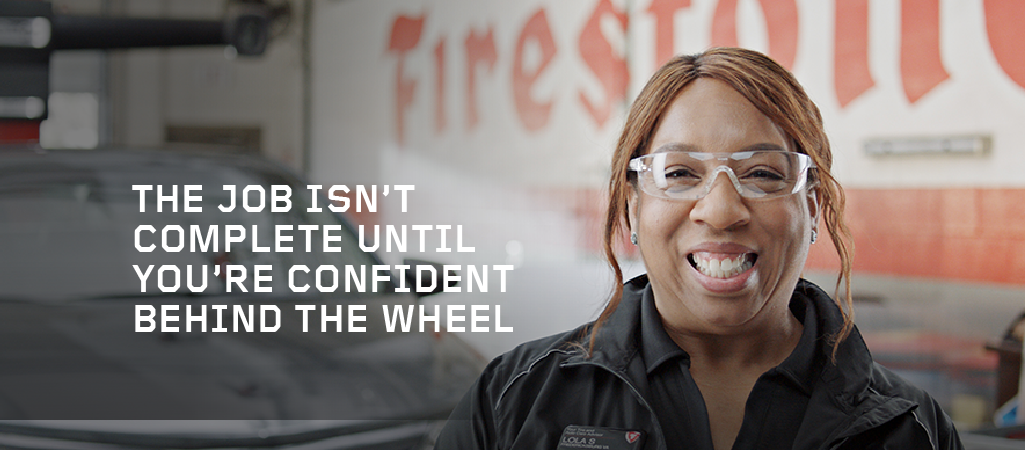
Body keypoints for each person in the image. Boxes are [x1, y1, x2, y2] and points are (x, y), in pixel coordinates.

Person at [435, 47, 963, 450]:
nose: (721, 210)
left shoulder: (910, 429)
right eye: (680, 173)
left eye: (762, 173)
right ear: (632, 209)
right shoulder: (512, 402)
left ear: (812, 207)